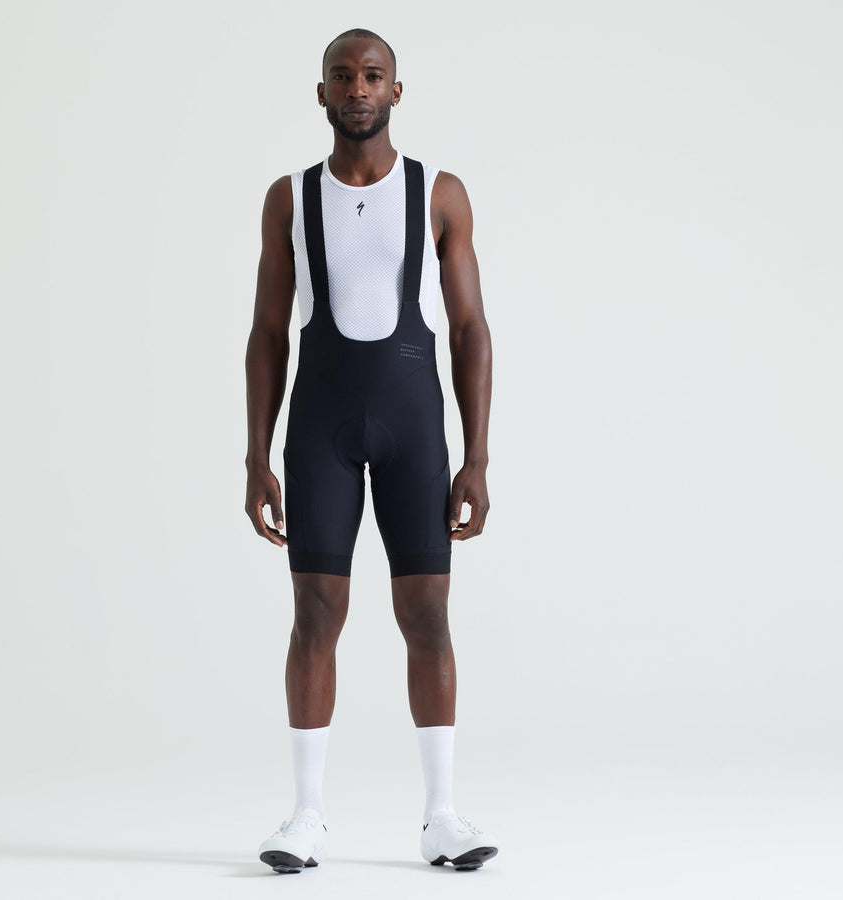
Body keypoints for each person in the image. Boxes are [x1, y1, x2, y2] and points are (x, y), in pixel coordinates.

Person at [242, 28, 498, 874]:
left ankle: (442, 818)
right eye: (342, 76)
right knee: (316, 614)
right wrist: (255, 456)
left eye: (373, 75)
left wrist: (476, 458)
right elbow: (267, 333)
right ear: (321, 93)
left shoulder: (439, 193)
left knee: (426, 615)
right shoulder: (290, 198)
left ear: (396, 91)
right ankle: (305, 817)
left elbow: (470, 328)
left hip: (412, 428)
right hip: (318, 425)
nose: (358, 88)